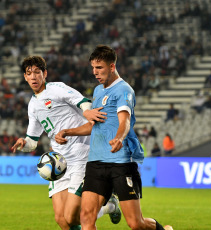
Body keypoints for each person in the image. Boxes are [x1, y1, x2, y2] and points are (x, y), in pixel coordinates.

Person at [55, 45, 172, 230]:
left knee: (136, 224)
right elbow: (94, 125)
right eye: (93, 67)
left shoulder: (124, 90)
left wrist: (119, 138)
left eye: (99, 67)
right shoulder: (97, 91)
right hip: (95, 162)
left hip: (120, 162)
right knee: (86, 218)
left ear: (112, 66)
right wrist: (68, 132)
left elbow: (124, 120)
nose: (95, 72)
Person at [11, 56, 121, 230]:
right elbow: (32, 141)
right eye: (29, 73)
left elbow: (83, 102)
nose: (33, 77)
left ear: (44, 73)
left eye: (37, 72)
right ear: (25, 77)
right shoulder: (32, 105)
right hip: (59, 162)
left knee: (72, 217)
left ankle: (109, 206)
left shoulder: (57, 89)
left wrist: (88, 114)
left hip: (82, 157)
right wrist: (23, 143)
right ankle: (109, 205)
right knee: (61, 220)